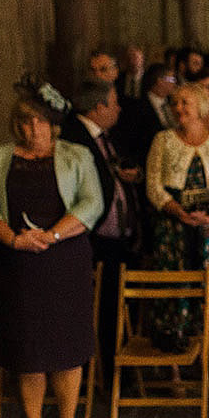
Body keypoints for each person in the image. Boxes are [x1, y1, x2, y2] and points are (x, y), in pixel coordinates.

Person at [0, 77, 103, 418]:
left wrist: (53, 234)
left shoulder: (77, 155)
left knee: (65, 349)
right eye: (27, 123)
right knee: (26, 350)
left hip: (65, 262)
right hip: (16, 265)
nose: (34, 129)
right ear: (18, 125)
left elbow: (93, 203)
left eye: (41, 122)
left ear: (53, 122)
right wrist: (15, 239)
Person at [60, 81, 141, 388]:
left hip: (119, 240)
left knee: (115, 307)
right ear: (98, 108)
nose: (119, 108)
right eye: (114, 102)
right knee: (103, 309)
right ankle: (105, 377)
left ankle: (115, 374)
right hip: (95, 242)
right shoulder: (74, 140)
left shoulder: (106, 138)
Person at [145, 83, 209, 349]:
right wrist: (179, 212)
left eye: (185, 103)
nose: (178, 108)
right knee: (175, 287)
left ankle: (208, 365)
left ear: (200, 106)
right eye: (175, 104)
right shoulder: (163, 139)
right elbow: (153, 185)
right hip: (173, 227)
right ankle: (174, 368)